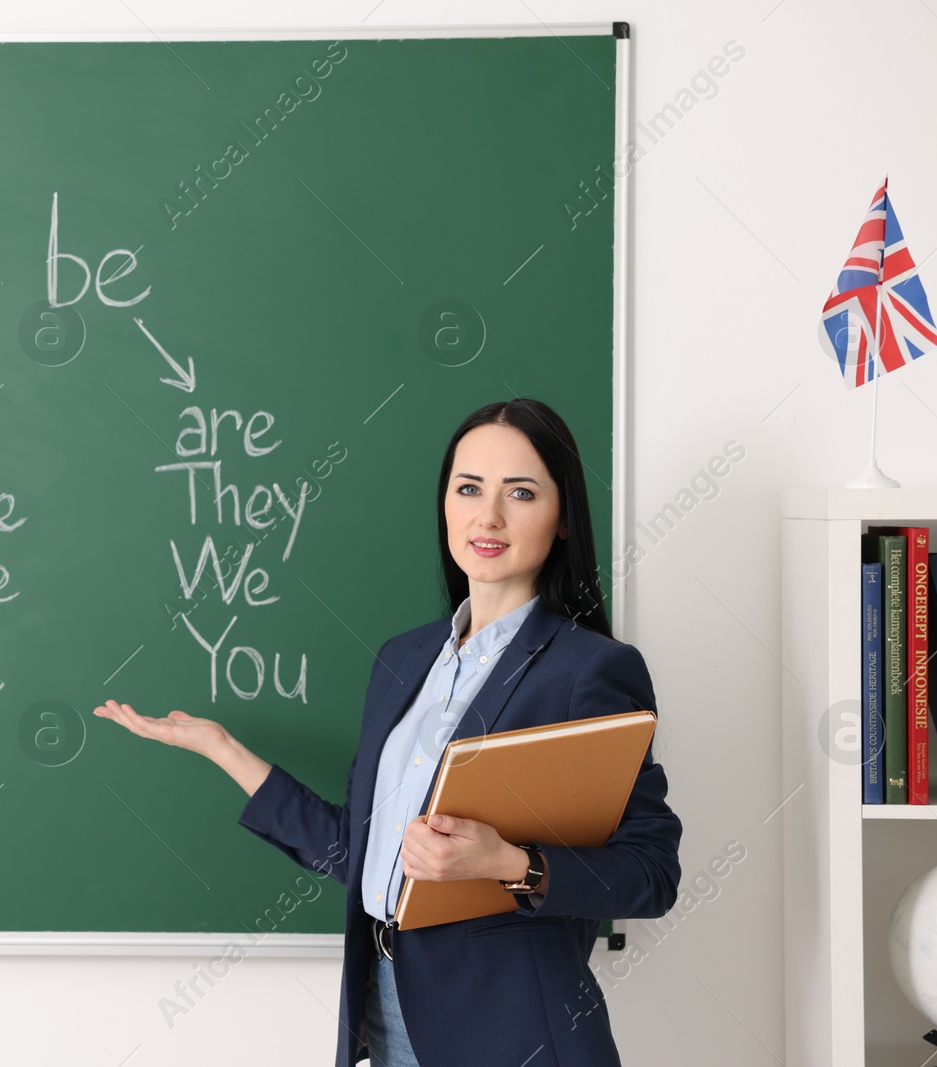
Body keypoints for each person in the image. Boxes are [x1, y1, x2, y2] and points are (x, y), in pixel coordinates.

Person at [94, 397, 681, 1067]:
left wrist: (510, 863)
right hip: (384, 1003)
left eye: (520, 492)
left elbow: (652, 872)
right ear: (444, 504)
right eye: (469, 488)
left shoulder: (591, 671)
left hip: (510, 1028)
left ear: (564, 517)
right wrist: (222, 749)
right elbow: (360, 850)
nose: (487, 516)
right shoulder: (403, 659)